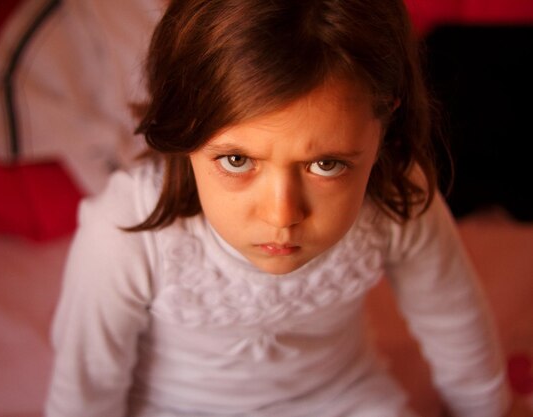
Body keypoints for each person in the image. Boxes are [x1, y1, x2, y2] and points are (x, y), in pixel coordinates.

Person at [45, 0, 514, 416]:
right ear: (184, 125)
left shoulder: (396, 197)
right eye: (237, 160)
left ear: (384, 122)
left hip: (343, 397)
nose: (281, 214)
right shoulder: (126, 232)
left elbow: (455, 321)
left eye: (326, 164)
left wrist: (488, 409)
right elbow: (87, 388)